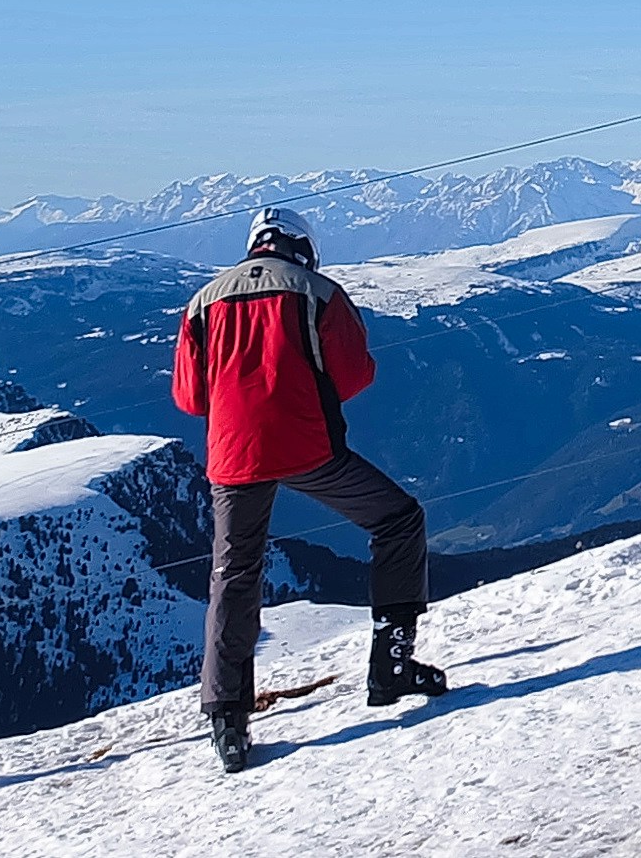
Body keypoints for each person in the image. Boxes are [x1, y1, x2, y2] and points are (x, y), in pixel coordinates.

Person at [173, 207, 446, 772]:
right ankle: (391, 663)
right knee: (397, 520)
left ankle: (227, 715)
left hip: (233, 454)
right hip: (306, 445)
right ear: (304, 247)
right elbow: (353, 375)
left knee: (234, 571)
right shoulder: (319, 293)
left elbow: (191, 399)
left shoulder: (201, 302)